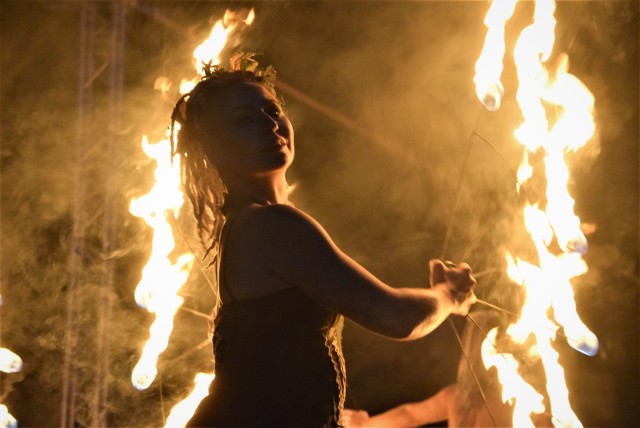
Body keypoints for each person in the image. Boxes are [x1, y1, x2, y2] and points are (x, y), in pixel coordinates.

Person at [170, 53, 477, 427]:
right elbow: (396, 317)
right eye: (243, 121)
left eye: (271, 110)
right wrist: (448, 295)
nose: (269, 124)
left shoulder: (252, 226)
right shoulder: (272, 226)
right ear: (215, 149)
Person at [340, 311, 514, 428]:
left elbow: (409, 415)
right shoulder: (512, 403)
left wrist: (365, 424)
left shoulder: (454, 397)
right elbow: (409, 415)